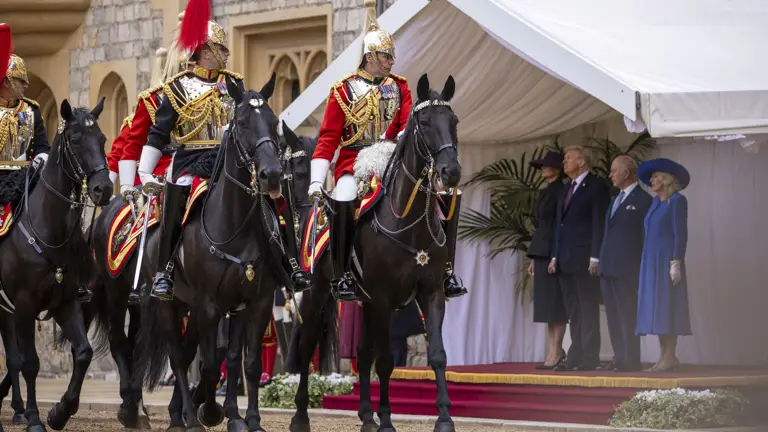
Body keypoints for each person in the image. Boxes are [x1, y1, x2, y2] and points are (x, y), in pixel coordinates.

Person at [135, 0, 309, 301]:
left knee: (272, 198)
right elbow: (158, 132)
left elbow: (252, 122)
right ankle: (164, 271)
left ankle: (291, 263)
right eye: (222, 49)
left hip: (231, 158)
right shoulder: (177, 88)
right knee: (178, 194)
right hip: (191, 159)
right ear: (206, 52)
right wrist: (144, 170)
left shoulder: (235, 84)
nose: (227, 54)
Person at [307, 0, 468, 301]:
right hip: (353, 164)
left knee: (447, 195)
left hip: (395, 158)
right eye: (385, 55)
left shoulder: (401, 87)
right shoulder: (343, 90)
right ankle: (344, 276)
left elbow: (408, 125)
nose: (392, 60)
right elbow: (329, 137)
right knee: (343, 197)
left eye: (392, 55)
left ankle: (446, 270)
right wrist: (317, 179)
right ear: (369, 57)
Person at [549, 146, 610, 372]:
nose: (564, 162)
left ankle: (590, 355)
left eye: (568, 158)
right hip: (565, 258)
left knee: (587, 307)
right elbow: (560, 225)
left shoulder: (596, 187)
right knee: (573, 310)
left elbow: (598, 223)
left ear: (582, 161)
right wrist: (554, 255)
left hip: (585, 258)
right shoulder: (567, 188)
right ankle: (575, 355)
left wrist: (596, 256)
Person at [636, 158, 692, 372]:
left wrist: (676, 261)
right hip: (651, 261)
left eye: (655, 176)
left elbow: (681, 234)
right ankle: (663, 356)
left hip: (667, 260)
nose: (652, 180)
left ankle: (670, 355)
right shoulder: (655, 202)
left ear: (668, 179)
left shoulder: (677, 201)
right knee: (656, 308)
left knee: (669, 305)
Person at [597, 156, 651, 372]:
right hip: (609, 266)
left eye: (613, 171)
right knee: (613, 315)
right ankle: (619, 358)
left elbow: (644, 237)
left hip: (628, 267)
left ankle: (631, 359)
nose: (610, 175)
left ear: (627, 173)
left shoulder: (643, 200)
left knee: (628, 314)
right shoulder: (615, 199)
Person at [527, 151, 567, 370]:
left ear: (557, 168)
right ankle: (553, 350)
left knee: (555, 303)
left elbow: (559, 225)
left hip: (554, 250)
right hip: (542, 250)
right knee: (545, 306)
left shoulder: (562, 190)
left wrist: (555, 254)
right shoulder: (545, 191)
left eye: (547, 165)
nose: (542, 169)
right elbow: (540, 226)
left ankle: (556, 350)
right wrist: (534, 256)